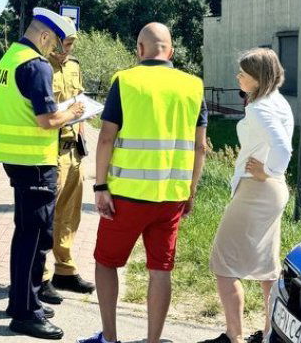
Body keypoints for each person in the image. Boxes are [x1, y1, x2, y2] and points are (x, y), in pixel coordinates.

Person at [79, 22, 208, 343]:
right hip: (170, 199)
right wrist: (190, 190)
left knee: (106, 263)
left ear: (139, 50)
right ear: (171, 52)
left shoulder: (125, 81)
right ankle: (152, 341)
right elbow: (200, 146)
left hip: (126, 197)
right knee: (160, 270)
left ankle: (109, 338)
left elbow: (106, 138)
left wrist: (100, 186)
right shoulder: (194, 85)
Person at [0, 7, 84, 340]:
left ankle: (20, 302)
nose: (56, 50)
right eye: (55, 42)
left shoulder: (9, 58)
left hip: (16, 159)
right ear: (43, 35)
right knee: (35, 237)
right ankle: (27, 312)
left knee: (26, 233)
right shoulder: (35, 65)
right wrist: (72, 111)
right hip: (35, 162)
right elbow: (46, 120)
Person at [198, 48, 294, 343]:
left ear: (257, 78)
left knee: (223, 263)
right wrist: (272, 173)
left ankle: (234, 336)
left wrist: (269, 171)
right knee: (267, 269)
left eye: (243, 73)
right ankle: (269, 335)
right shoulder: (277, 102)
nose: (237, 77)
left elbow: (283, 149)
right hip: (271, 192)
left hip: (258, 190)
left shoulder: (259, 108)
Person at [39, 19, 96, 305]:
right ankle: (41, 277)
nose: (68, 49)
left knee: (70, 215)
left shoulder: (73, 65)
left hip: (74, 149)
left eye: (72, 44)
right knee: (46, 217)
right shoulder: (39, 65)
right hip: (51, 150)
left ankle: (64, 270)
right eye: (66, 43)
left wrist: (84, 126)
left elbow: (78, 100)